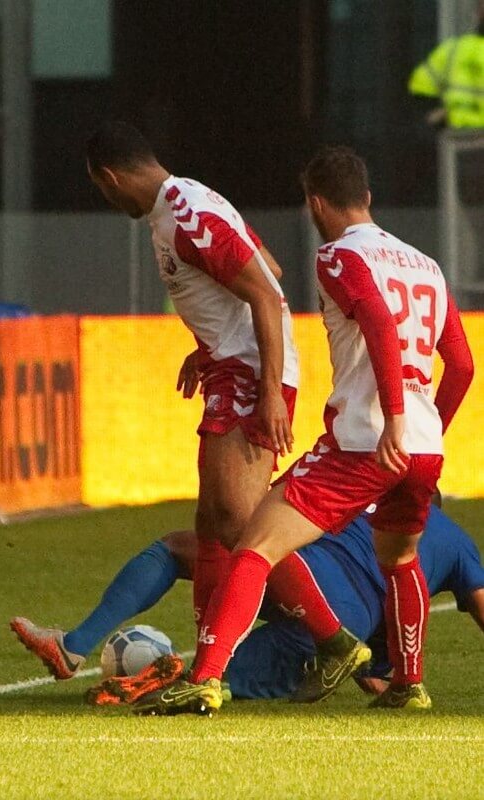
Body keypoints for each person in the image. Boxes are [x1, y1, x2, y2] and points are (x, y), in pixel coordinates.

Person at [137, 145, 475, 716]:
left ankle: (207, 678)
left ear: (316, 204)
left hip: (366, 440)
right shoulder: (427, 265)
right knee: (399, 558)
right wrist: (426, 429)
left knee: (255, 544)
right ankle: (408, 683)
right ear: (366, 196)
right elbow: (462, 365)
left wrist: (392, 421)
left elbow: (378, 329)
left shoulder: (339, 257)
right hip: (422, 448)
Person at [11, 120, 307, 677]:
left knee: (245, 532)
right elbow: (270, 266)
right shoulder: (185, 205)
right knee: (214, 529)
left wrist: (269, 390)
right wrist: (211, 346)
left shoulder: (186, 217)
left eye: (102, 188)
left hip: (250, 377)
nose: (106, 197)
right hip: (235, 367)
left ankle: (334, 639)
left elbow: (266, 292)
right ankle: (172, 659)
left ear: (110, 176)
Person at [11, 504, 484, 704]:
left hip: (290, 571)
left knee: (180, 547)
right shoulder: (457, 542)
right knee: (216, 681)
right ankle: (153, 682)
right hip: (339, 625)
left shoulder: (358, 494)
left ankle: (76, 643)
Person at [408, 1, 484, 129]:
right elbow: (420, 91)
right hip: (458, 138)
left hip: (459, 138)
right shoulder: (454, 50)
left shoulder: (453, 49)